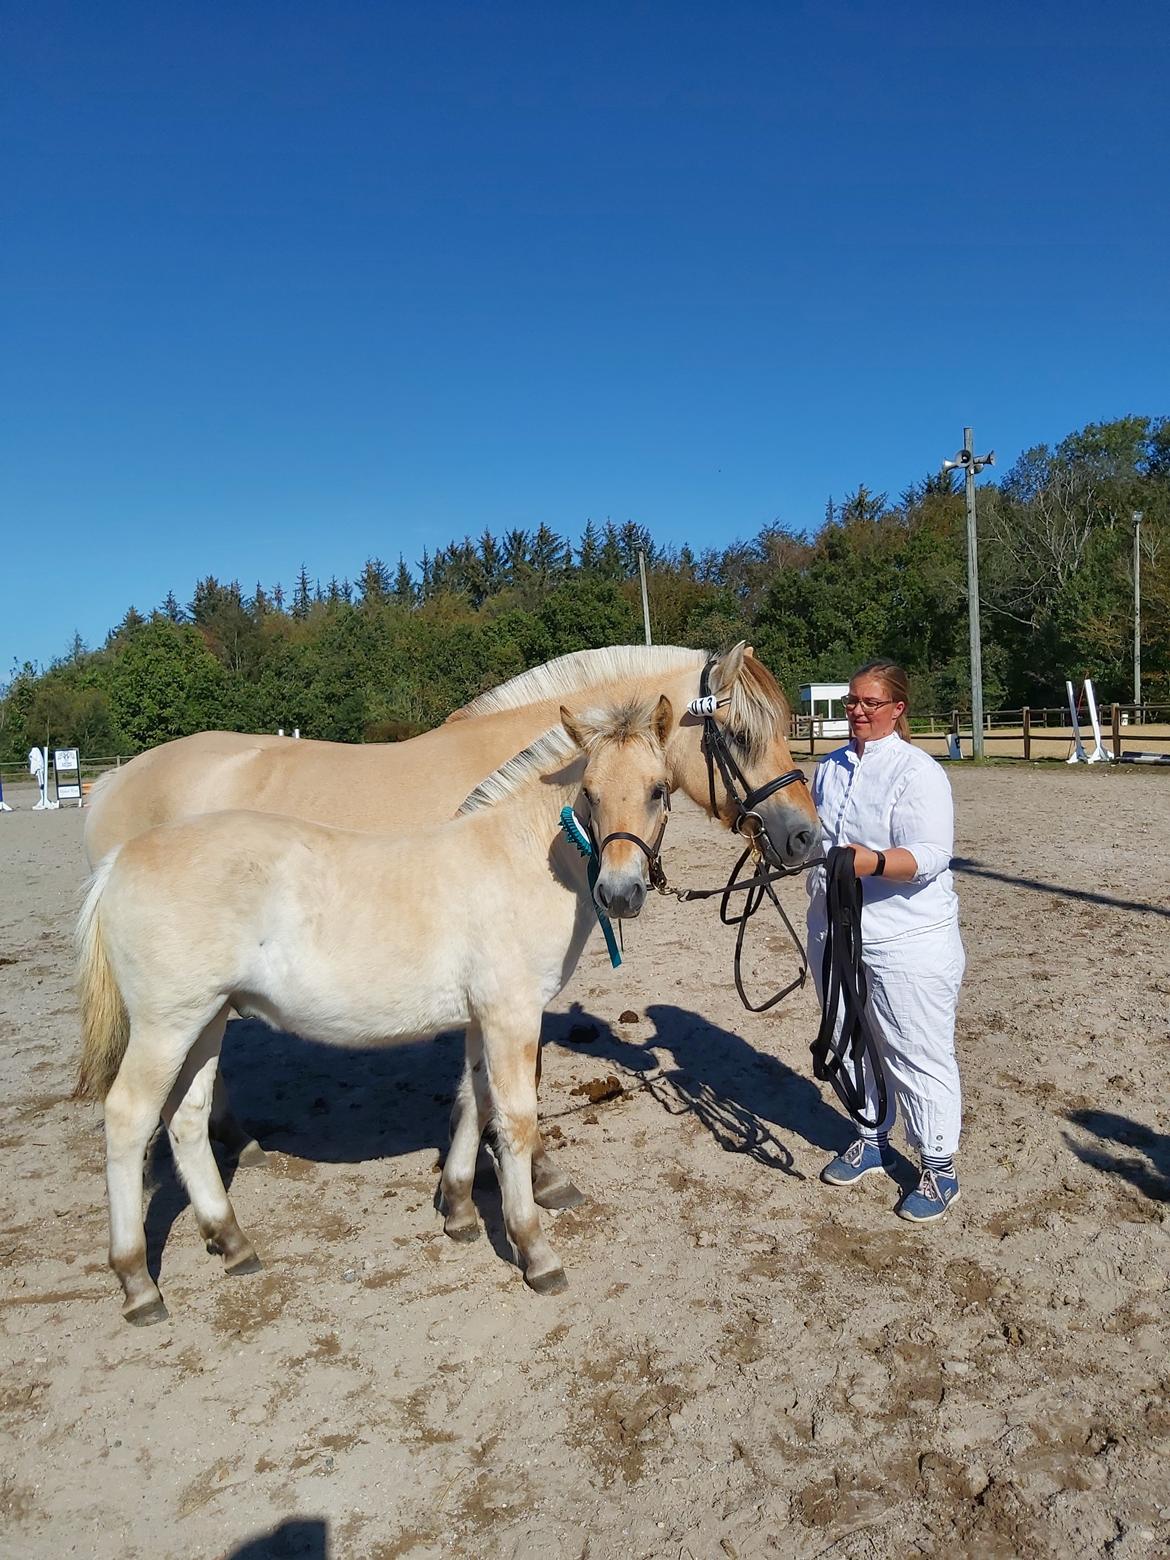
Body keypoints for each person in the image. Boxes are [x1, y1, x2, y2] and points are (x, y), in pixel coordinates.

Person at [805, 660, 965, 1222]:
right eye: (852, 701)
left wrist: (866, 862)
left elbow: (930, 856)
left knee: (914, 1048)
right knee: (848, 1036)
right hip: (834, 930)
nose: (857, 711)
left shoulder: (917, 771)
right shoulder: (829, 769)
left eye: (870, 703)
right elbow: (814, 838)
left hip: (906, 937)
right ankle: (869, 1135)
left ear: (897, 709)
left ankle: (938, 1166)